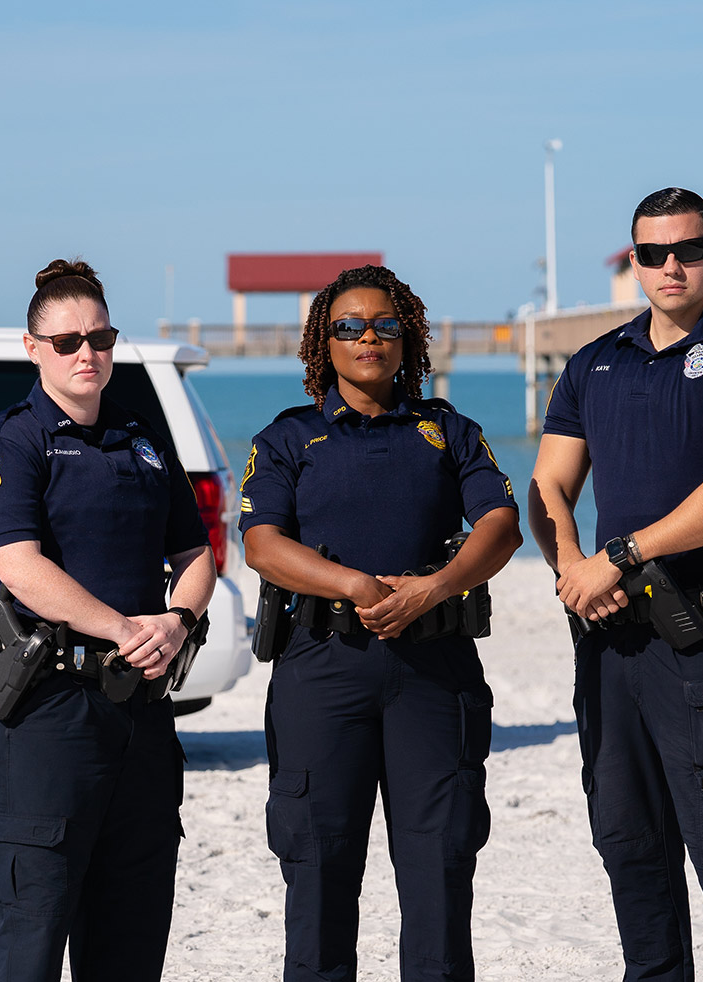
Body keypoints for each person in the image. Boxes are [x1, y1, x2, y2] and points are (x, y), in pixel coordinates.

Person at [530, 188, 703, 981]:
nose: (670, 266)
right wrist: (573, 569)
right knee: (629, 842)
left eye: (688, 250)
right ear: (633, 263)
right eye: (652, 254)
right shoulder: (594, 361)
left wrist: (617, 556)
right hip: (611, 643)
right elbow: (547, 486)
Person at [241, 264, 522, 981]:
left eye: (386, 325)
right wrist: (355, 584)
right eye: (349, 326)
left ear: (409, 338)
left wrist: (436, 587)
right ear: (322, 344)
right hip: (323, 671)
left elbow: (501, 524)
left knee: (439, 872)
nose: (369, 337)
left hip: (433, 673)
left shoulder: (448, 430)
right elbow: (261, 543)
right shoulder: (287, 439)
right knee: (319, 872)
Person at [0, 258, 217, 982]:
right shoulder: (12, 442)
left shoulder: (141, 438)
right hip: (48, 715)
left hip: (138, 714)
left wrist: (177, 620)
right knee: (34, 936)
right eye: (68, 340)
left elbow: (196, 553)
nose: (86, 354)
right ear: (32, 348)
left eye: (100, 338)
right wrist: (122, 628)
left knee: (132, 940)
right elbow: (19, 566)